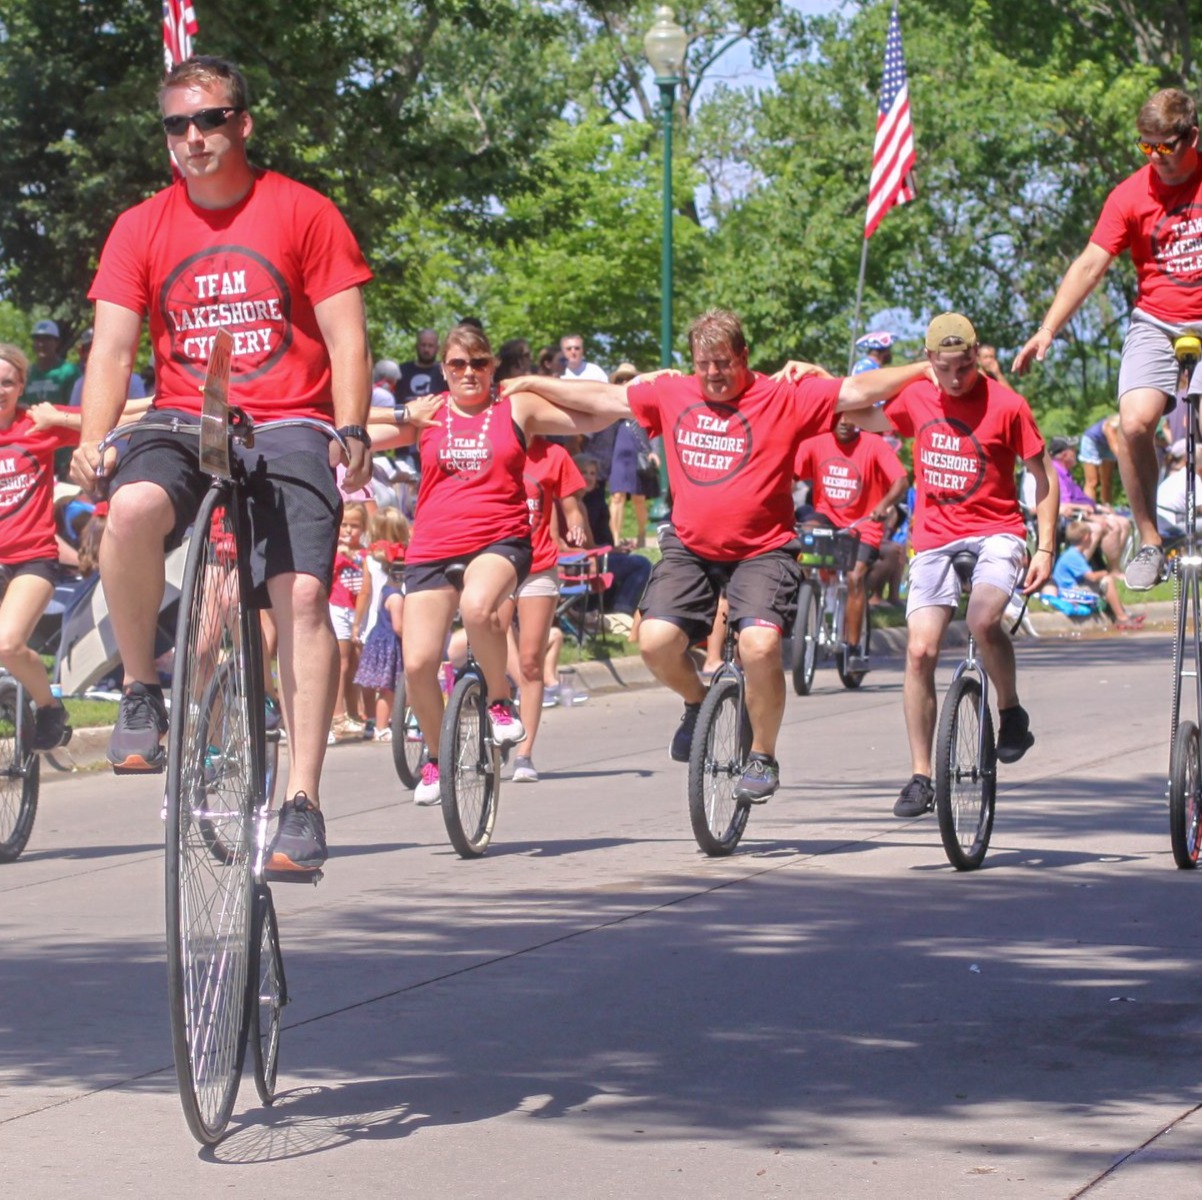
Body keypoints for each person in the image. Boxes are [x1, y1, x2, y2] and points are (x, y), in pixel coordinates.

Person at [72, 55, 374, 877]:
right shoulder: (140, 226)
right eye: (177, 125)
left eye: (209, 120)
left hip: (288, 422)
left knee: (304, 595)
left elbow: (347, 336)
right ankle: (142, 689)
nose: (193, 138)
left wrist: (348, 429)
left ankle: (303, 803)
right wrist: (95, 439)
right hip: (184, 415)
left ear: (242, 123)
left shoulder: (303, 212)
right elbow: (113, 347)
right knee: (130, 509)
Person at [503, 307, 931, 804]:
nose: (712, 373)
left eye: (723, 363)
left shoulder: (781, 394)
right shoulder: (672, 391)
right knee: (655, 642)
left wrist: (924, 369)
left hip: (763, 550)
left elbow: (860, 392)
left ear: (744, 356)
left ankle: (763, 755)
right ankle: (697, 702)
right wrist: (532, 382)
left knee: (759, 647)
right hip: (690, 547)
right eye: (703, 363)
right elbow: (602, 397)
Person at [366, 324, 622, 805]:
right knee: (418, 662)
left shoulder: (514, 407)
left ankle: (500, 705)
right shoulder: (428, 414)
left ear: (492, 367)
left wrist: (536, 383)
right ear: (443, 369)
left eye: (479, 363)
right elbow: (347, 423)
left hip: (499, 539)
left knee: (481, 607)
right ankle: (439, 758)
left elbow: (590, 416)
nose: (468, 373)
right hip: (433, 545)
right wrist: (402, 411)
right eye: (458, 365)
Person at [852, 314, 1058, 818]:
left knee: (983, 619)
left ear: (975, 356)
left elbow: (1042, 474)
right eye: (944, 368)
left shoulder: (1007, 405)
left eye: (965, 366)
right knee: (920, 651)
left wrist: (1047, 546)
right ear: (930, 362)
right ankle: (922, 775)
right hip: (934, 538)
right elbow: (856, 411)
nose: (957, 378)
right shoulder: (918, 397)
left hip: (997, 533)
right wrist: (908, 375)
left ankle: (1009, 711)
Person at [1014, 88, 1202, 590]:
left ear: (1192, 137)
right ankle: (1150, 540)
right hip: (1157, 322)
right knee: (1134, 423)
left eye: (1166, 146)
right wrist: (1047, 329)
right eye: (1147, 148)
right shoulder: (1129, 196)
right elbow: (1091, 264)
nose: (1157, 158)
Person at [0, 345, 78, 751]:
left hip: (32, 559)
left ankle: (49, 707)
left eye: (7, 382)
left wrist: (57, 417)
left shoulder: (36, 425)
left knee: (7, 644)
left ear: (21, 387)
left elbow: (101, 419)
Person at [793, 418, 909, 665]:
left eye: (852, 415)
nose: (845, 421)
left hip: (865, 523)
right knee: (804, 537)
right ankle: (811, 597)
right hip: (827, 517)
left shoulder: (875, 445)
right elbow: (790, 476)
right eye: (839, 415)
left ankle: (854, 649)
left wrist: (883, 505)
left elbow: (901, 481)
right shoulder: (815, 442)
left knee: (856, 577)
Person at [508, 436, 587, 783]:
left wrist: (576, 522)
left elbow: (570, 504)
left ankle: (524, 754)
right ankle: (500, 701)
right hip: (495, 561)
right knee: (491, 633)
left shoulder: (554, 455)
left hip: (538, 564)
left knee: (530, 662)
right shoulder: (492, 442)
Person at [1048, 435, 1133, 569]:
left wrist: (1100, 507)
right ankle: (1077, 570)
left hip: (1083, 513)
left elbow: (1080, 499)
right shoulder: (1055, 472)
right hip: (1071, 518)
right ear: (1064, 455)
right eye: (1073, 450)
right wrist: (1092, 515)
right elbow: (1065, 504)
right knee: (1114, 526)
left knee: (1124, 523)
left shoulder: (1066, 473)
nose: (1075, 453)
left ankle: (1113, 569)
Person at [1045, 520, 1143, 629]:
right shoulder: (1073, 555)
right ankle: (1122, 618)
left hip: (1071, 588)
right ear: (1086, 537)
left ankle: (1120, 614)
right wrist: (1105, 572)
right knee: (1107, 581)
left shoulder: (1073, 553)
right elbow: (1091, 577)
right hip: (1068, 592)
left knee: (1103, 584)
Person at [329, 502, 370, 740]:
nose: (348, 531)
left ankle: (355, 713)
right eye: (344, 525)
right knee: (342, 662)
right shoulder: (335, 552)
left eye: (354, 526)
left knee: (356, 663)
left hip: (358, 611)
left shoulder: (365, 553)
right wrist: (339, 556)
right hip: (338, 608)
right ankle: (338, 715)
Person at [606, 362, 659, 548]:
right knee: (617, 496)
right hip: (618, 453)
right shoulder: (610, 403)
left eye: (628, 378)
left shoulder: (644, 402)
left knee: (639, 497)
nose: (624, 382)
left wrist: (654, 452)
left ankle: (642, 534)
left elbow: (654, 429)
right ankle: (615, 538)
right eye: (620, 379)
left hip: (639, 451)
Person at [25, 320, 81, 409]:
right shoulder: (26, 373)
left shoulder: (70, 372)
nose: (41, 344)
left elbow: (76, 405)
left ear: (57, 342)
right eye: (37, 339)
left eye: (46, 339)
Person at [1077, 414, 1121, 503]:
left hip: (1106, 445)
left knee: (1107, 481)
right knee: (1092, 481)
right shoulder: (1111, 426)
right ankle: (1089, 508)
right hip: (1091, 441)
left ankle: (1107, 508)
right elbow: (1115, 449)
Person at [397, 329, 446, 402]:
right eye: (423, 345)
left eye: (430, 346)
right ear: (416, 346)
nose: (426, 349)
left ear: (437, 348)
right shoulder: (402, 371)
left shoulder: (444, 372)